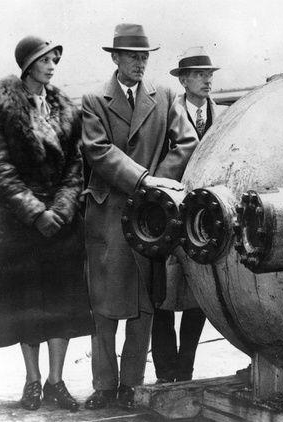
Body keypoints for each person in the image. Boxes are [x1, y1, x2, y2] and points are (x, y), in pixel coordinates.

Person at [81, 23, 198, 410]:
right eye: (132, 56)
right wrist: (144, 179)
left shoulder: (164, 95)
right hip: (108, 213)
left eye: (144, 56)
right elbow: (98, 151)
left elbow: (187, 141)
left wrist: (157, 183)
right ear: (115, 57)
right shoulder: (94, 99)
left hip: (149, 215)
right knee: (104, 305)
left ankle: (132, 384)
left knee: (144, 303)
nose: (140, 62)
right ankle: (104, 385)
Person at [0, 35, 94, 412]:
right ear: (28, 65)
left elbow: (75, 166)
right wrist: (35, 212)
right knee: (27, 305)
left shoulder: (65, 107)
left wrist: (59, 211)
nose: (51, 66)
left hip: (61, 225)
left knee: (62, 304)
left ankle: (55, 381)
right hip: (20, 225)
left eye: (54, 60)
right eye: (45, 60)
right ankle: (32, 380)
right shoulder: (2, 106)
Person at [151, 46, 227, 384]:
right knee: (163, 296)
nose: (207, 80)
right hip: (168, 213)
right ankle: (164, 372)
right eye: (199, 75)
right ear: (183, 80)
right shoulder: (167, 113)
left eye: (209, 74)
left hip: (204, 217)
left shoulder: (223, 117)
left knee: (198, 296)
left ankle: (185, 370)